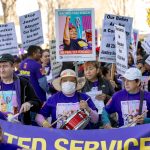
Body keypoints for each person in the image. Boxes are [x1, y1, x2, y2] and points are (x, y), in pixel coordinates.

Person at [0, 53, 41, 124]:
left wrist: (29, 103)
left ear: (13, 67)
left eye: (5, 66)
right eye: (0, 67)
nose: (1, 70)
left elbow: (37, 102)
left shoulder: (23, 83)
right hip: (1, 127)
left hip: (20, 127)